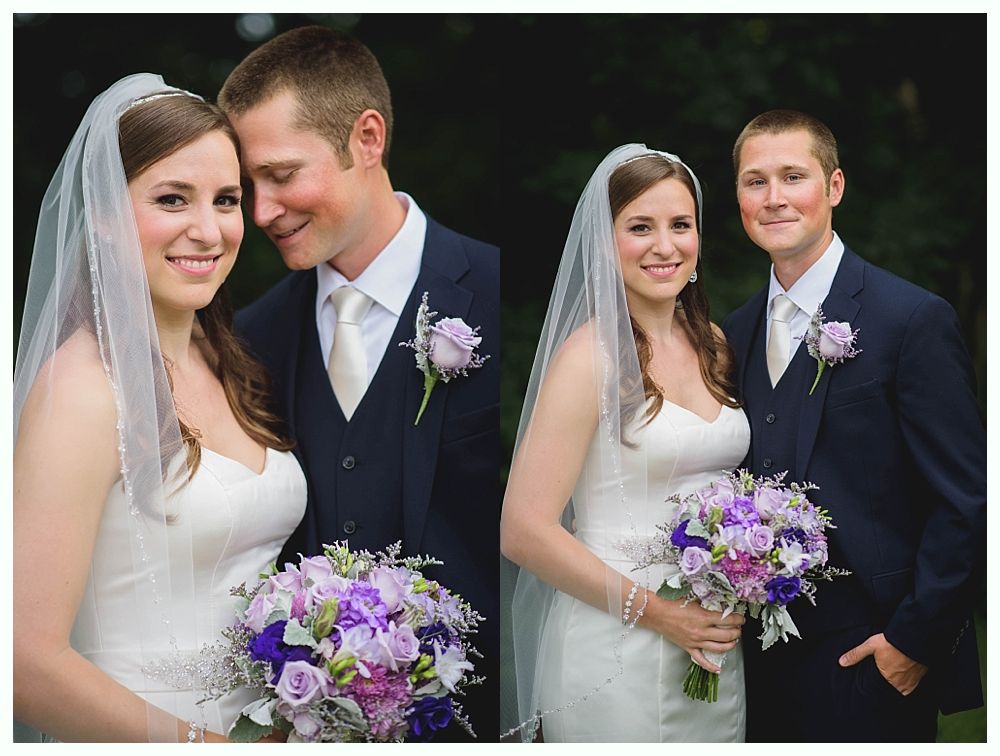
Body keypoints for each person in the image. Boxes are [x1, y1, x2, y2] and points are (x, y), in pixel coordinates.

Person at [216, 26, 500, 739]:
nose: (262, 213)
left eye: (282, 175)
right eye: (249, 186)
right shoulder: (249, 338)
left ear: (366, 138)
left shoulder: (495, 288)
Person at [12, 73, 306, 742]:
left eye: (226, 200)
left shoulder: (230, 358)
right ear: (107, 219)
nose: (208, 230)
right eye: (173, 199)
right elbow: (24, 660)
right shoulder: (83, 392)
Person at [722, 109, 986, 742]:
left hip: (871, 658)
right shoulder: (729, 335)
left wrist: (912, 641)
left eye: (793, 176)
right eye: (755, 181)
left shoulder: (912, 319)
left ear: (834, 187)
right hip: (749, 667)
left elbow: (965, 501)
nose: (774, 198)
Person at [501, 144, 750, 742]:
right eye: (641, 227)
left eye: (680, 225)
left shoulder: (712, 342)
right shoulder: (591, 358)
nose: (665, 246)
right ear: (605, 243)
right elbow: (524, 529)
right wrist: (662, 615)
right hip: (614, 643)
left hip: (711, 640)